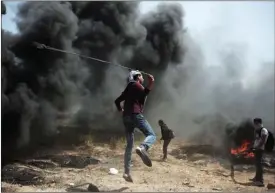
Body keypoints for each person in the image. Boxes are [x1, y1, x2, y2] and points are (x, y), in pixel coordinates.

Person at [114, 70, 156, 182]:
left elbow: (117, 101)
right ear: (137, 77)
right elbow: (145, 92)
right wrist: (151, 82)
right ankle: (143, 147)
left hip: (126, 118)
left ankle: (127, 172)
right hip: (135, 115)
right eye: (141, 75)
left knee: (129, 145)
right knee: (151, 134)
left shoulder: (129, 88)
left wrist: (121, 110)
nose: (142, 77)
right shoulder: (135, 84)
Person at [249, 118, 269, 187]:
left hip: (260, 150)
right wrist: (252, 146)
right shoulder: (256, 130)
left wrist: (256, 148)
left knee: (259, 165)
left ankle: (260, 181)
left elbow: (263, 141)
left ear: (259, 123)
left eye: (256, 124)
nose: (255, 125)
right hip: (256, 149)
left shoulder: (263, 130)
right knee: (257, 164)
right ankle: (256, 178)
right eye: (254, 124)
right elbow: (255, 140)